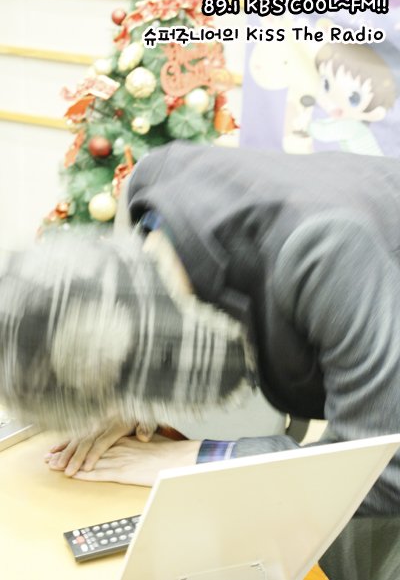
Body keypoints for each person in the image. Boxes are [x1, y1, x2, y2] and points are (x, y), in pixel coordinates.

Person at [1, 140, 400, 579]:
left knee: (355, 551)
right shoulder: (155, 191)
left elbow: (384, 470)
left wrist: (204, 460)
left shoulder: (325, 251)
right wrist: (131, 399)